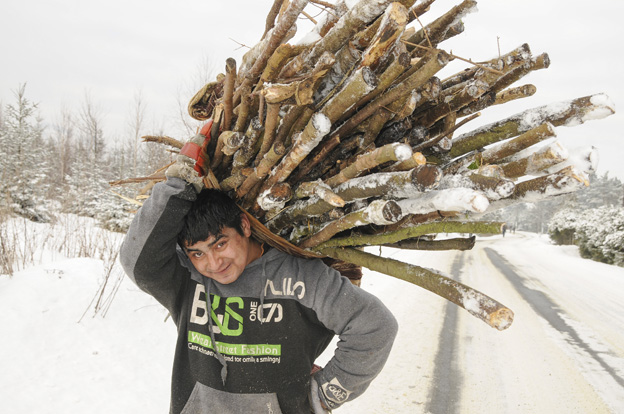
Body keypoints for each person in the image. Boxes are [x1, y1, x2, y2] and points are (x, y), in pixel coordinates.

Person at [119, 123, 398, 414]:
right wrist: (182, 180)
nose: (213, 264)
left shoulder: (303, 278)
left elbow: (375, 327)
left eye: (219, 244)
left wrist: (325, 395)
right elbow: (136, 260)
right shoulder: (189, 279)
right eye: (197, 252)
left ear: (244, 226)